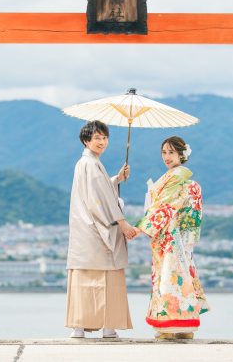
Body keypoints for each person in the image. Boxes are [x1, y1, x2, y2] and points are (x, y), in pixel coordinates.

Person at [66, 120, 137, 339]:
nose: (102, 142)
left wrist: (116, 179)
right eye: (97, 138)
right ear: (86, 140)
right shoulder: (92, 164)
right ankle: (109, 328)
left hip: (82, 231)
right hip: (97, 228)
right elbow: (101, 199)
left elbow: (101, 189)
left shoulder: (85, 163)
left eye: (105, 137)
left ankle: (79, 327)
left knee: (83, 278)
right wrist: (121, 222)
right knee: (108, 278)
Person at [135, 136, 209, 339]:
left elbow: (163, 207)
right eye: (163, 153)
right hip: (182, 238)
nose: (166, 157)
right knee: (183, 278)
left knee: (168, 279)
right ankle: (186, 328)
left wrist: (142, 227)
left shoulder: (176, 178)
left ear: (181, 155)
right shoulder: (184, 180)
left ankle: (168, 326)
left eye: (171, 152)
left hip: (170, 237)